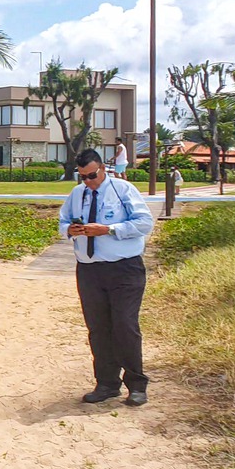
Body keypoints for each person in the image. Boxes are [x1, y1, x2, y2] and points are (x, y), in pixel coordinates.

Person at [58, 149, 155, 406]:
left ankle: (136, 385)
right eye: (83, 177)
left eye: (91, 175)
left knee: (125, 325)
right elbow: (62, 221)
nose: (88, 181)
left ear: (103, 168)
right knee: (98, 328)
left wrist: (109, 230)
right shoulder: (77, 194)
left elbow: (145, 223)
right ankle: (107, 384)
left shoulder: (123, 190)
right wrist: (70, 229)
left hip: (124, 269)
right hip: (89, 270)